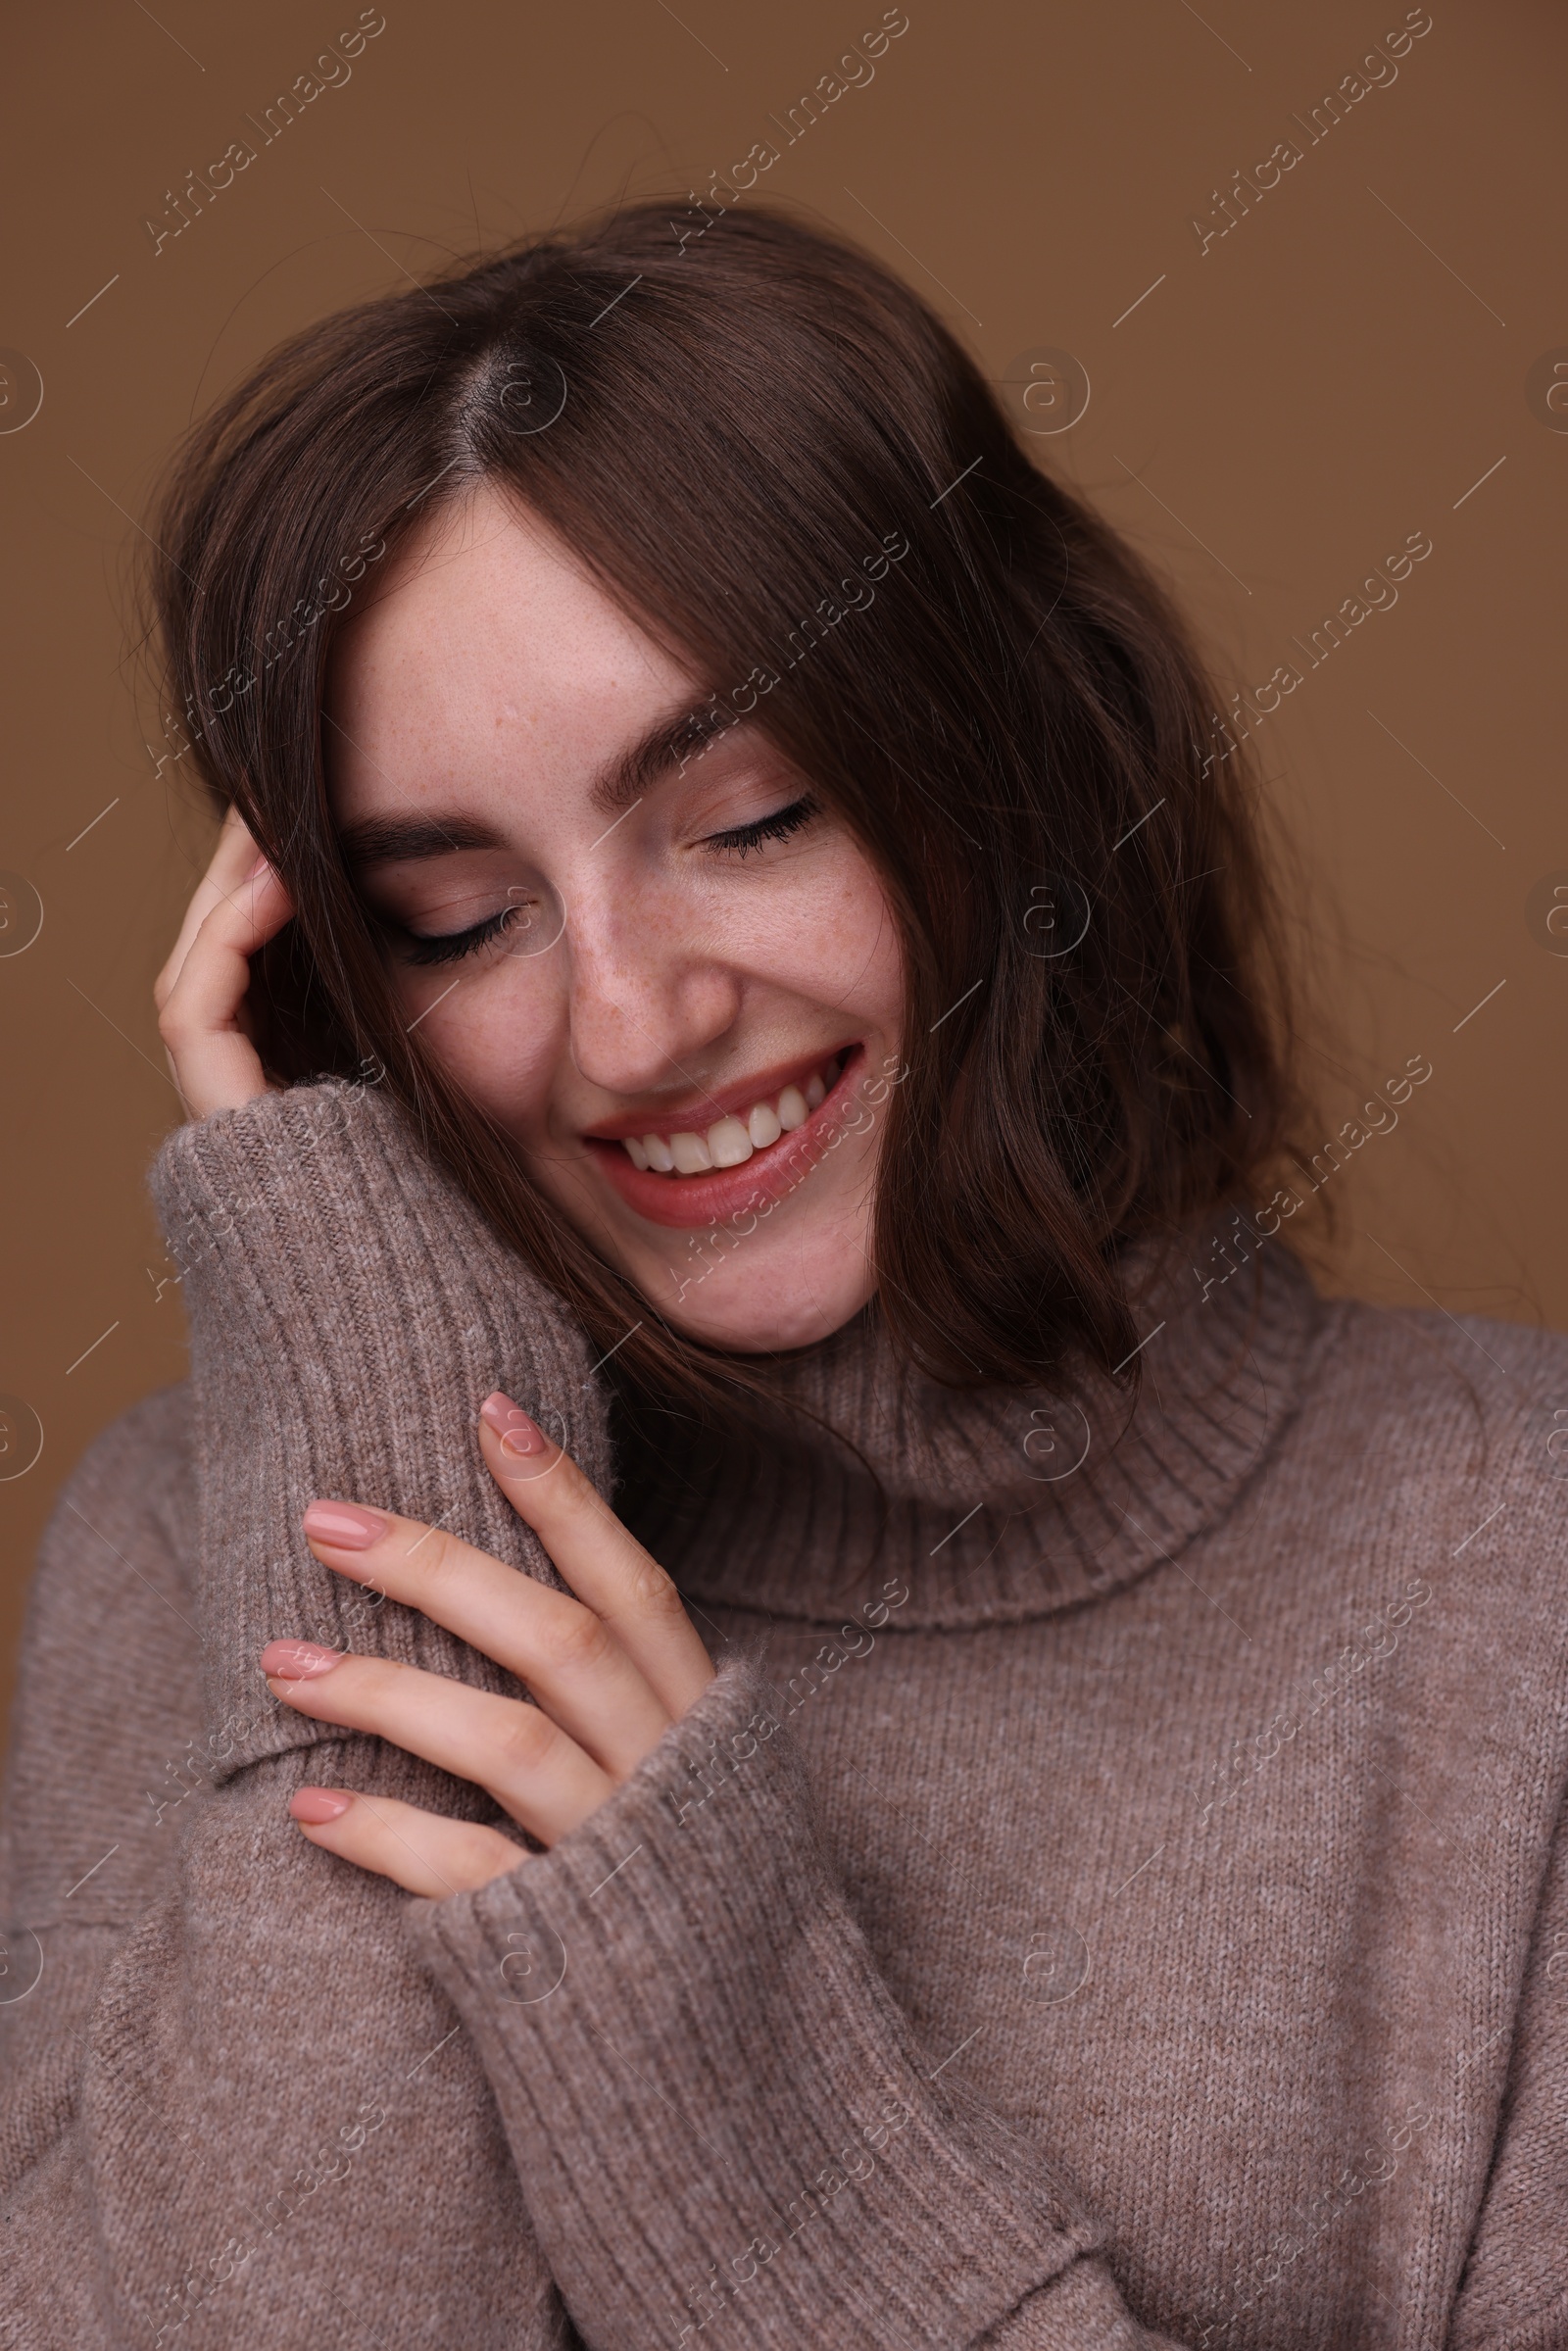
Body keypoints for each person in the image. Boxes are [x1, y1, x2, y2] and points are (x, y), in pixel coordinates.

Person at [1, 202, 1562, 2351]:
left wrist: (726, 2096)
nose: (631, 1028)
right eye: (457, 920)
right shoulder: (192, 1547)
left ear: (1010, 773)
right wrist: (369, 1410)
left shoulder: (1511, 1568)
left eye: (748, 820)